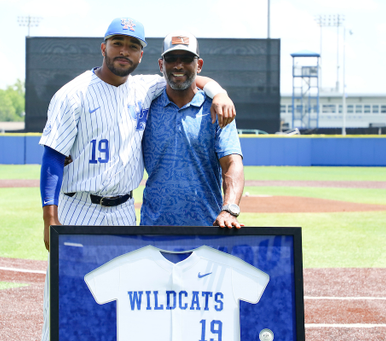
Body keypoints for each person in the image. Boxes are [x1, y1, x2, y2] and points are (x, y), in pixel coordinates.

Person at [38, 18, 236, 341]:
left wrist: (219, 91)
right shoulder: (72, 94)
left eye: (132, 46)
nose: (124, 51)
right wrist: (50, 217)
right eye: (118, 43)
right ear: (103, 47)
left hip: (124, 212)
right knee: (65, 299)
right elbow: (52, 157)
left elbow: (190, 76)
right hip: (78, 208)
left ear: (143, 56)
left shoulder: (146, 88)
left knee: (120, 305)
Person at [140, 31, 245, 229]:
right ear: (161, 64)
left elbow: (232, 163)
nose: (178, 65)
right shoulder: (145, 106)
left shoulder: (217, 109)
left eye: (187, 59)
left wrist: (229, 209)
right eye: (171, 59)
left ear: (199, 65)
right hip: (153, 228)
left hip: (209, 228)